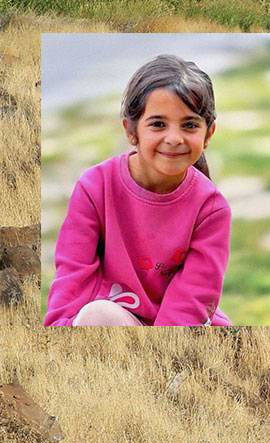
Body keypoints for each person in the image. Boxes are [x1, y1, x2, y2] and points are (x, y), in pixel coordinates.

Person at [46, 54, 231, 327]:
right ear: (131, 131)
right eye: (158, 124)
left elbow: (193, 298)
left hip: (179, 329)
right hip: (113, 322)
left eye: (190, 125)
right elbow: (74, 276)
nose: (174, 138)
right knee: (96, 316)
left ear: (208, 134)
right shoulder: (95, 187)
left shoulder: (211, 208)